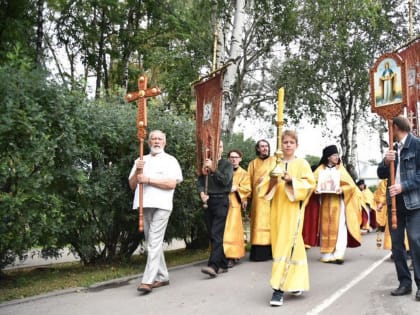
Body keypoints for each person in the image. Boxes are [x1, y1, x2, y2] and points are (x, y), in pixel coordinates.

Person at [128, 130, 183, 294]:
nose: (156, 141)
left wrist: (149, 180)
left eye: (160, 139)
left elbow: (172, 183)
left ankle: (147, 280)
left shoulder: (170, 160)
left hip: (162, 205)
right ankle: (163, 276)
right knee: (152, 242)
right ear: (148, 142)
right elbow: (132, 185)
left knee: (153, 242)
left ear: (164, 142)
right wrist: (138, 172)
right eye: (153, 139)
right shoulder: (141, 160)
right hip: (144, 205)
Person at [265, 130, 315, 306]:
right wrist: (272, 180)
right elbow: (263, 189)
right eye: (285, 142)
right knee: (286, 246)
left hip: (294, 211)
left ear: (296, 145)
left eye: (291, 142)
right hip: (277, 212)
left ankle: (278, 289)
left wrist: (290, 180)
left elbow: (309, 184)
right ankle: (294, 282)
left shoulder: (302, 164)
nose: (287, 145)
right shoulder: (274, 163)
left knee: (288, 245)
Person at [377, 115, 420, 301]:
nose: (390, 133)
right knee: (396, 245)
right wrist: (386, 162)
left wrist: (404, 186)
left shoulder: (417, 145)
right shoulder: (391, 149)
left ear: (395, 127)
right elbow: (380, 173)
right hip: (394, 203)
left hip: (414, 201)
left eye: (390, 129)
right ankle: (404, 283)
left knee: (416, 241)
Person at [312, 145, 361, 264]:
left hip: (338, 203)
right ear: (328, 157)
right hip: (323, 203)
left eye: (337, 155)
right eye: (334, 155)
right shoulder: (320, 170)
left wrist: (342, 190)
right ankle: (326, 254)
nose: (337, 157)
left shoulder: (341, 169)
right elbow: (311, 183)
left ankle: (338, 254)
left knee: (340, 228)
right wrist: (314, 189)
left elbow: (351, 186)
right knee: (324, 228)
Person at [197, 140, 233, 278]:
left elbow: (225, 181)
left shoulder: (227, 164)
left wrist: (213, 168)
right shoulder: (204, 163)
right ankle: (223, 263)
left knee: (216, 234)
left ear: (222, 149)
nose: (217, 149)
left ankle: (213, 266)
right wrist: (201, 193)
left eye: (220, 146)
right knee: (212, 233)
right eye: (215, 146)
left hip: (221, 200)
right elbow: (200, 182)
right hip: (209, 201)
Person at [247, 139, 276, 261]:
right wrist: (246, 197)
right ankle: (258, 253)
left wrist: (267, 179)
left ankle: (272, 251)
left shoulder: (274, 161)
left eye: (266, 146)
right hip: (258, 199)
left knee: (272, 223)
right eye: (262, 146)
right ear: (258, 149)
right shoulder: (253, 164)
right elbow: (248, 180)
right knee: (258, 222)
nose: (265, 148)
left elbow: (278, 177)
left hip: (271, 196)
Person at [223, 149, 251, 268]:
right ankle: (222, 254)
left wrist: (237, 189)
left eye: (236, 157)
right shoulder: (223, 171)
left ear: (240, 159)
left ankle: (233, 255)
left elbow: (247, 188)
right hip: (222, 202)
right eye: (231, 157)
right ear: (228, 159)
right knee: (222, 230)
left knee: (233, 231)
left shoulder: (244, 173)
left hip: (234, 203)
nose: (234, 159)